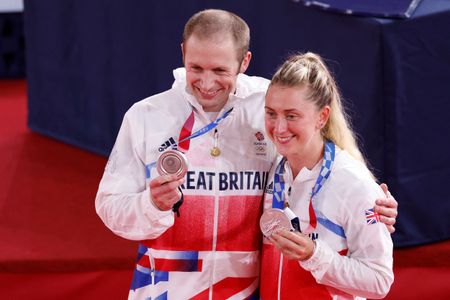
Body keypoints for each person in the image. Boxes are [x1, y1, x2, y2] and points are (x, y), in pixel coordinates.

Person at [95, 9, 397, 299]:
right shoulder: (146, 117)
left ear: (244, 62)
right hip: (164, 290)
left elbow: (319, 149)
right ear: (183, 53)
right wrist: (151, 205)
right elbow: (109, 207)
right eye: (196, 68)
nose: (207, 82)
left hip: (243, 292)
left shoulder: (265, 104)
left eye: (220, 70)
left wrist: (371, 205)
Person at [260, 52, 394, 299]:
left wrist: (315, 255)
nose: (278, 128)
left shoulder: (353, 183)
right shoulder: (274, 167)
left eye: (291, 116)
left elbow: (379, 281)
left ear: (322, 117)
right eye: (271, 113)